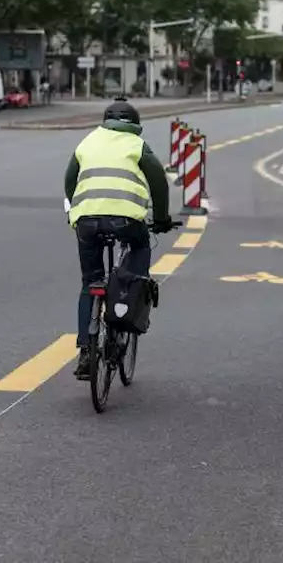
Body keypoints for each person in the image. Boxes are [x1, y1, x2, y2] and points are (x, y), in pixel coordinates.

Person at [64, 97, 173, 378]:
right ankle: (128, 298)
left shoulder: (87, 141)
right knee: (139, 251)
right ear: (135, 125)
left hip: (86, 220)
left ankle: (86, 351)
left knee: (90, 282)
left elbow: (69, 179)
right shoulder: (137, 145)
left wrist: (75, 205)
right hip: (126, 221)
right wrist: (161, 219)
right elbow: (159, 182)